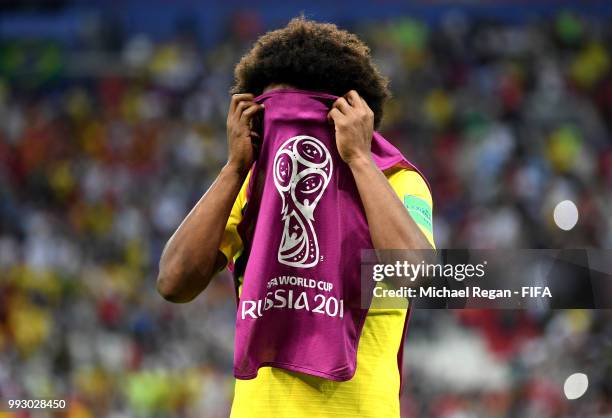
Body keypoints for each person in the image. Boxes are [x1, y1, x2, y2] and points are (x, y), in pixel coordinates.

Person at [157, 17, 435, 418]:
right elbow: (173, 282)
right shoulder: (254, 184)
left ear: (349, 114)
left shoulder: (397, 180)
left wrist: (358, 157)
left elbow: (421, 278)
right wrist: (235, 168)